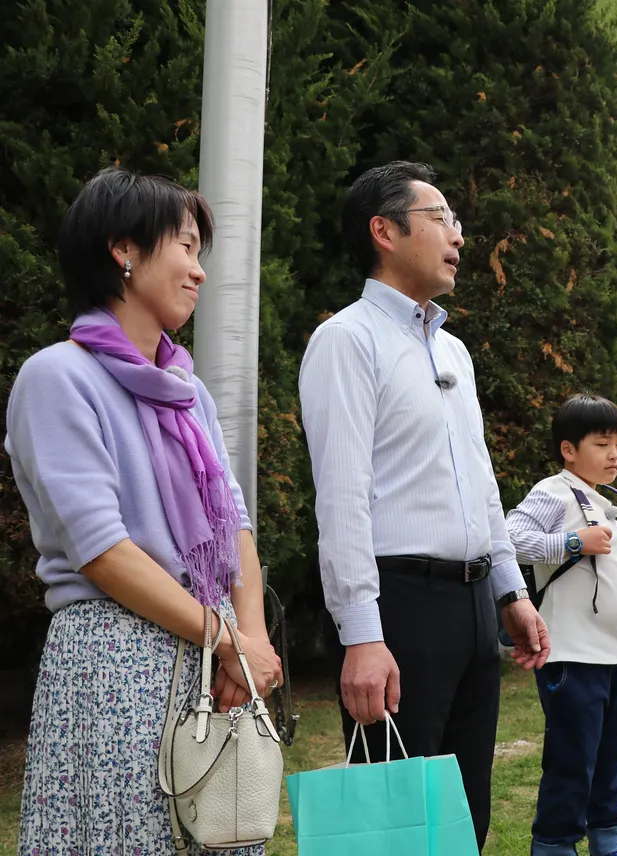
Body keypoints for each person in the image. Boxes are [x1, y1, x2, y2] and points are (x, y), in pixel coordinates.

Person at [6, 167, 282, 855]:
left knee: (223, 831)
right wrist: (225, 638)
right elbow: (102, 550)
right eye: (185, 247)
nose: (199, 271)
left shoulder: (187, 391)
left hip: (214, 655)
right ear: (123, 249)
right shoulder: (57, 377)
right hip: (117, 660)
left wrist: (249, 646)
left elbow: (234, 519)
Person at [298, 160, 550, 850]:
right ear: (384, 230)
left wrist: (509, 590)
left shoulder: (456, 352)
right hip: (400, 608)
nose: (459, 237)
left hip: (474, 612)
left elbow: (480, 483)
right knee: (396, 828)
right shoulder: (346, 341)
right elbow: (342, 498)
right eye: (441, 219)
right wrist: (361, 635)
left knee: (464, 820)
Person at [504, 394, 617, 856]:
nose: (614, 455)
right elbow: (509, 538)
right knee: (573, 761)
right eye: (602, 444)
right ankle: (553, 845)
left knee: (611, 757)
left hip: (616, 654)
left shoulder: (601, 498)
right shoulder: (554, 490)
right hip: (573, 655)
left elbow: (610, 564)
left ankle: (609, 840)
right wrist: (573, 540)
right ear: (569, 450)